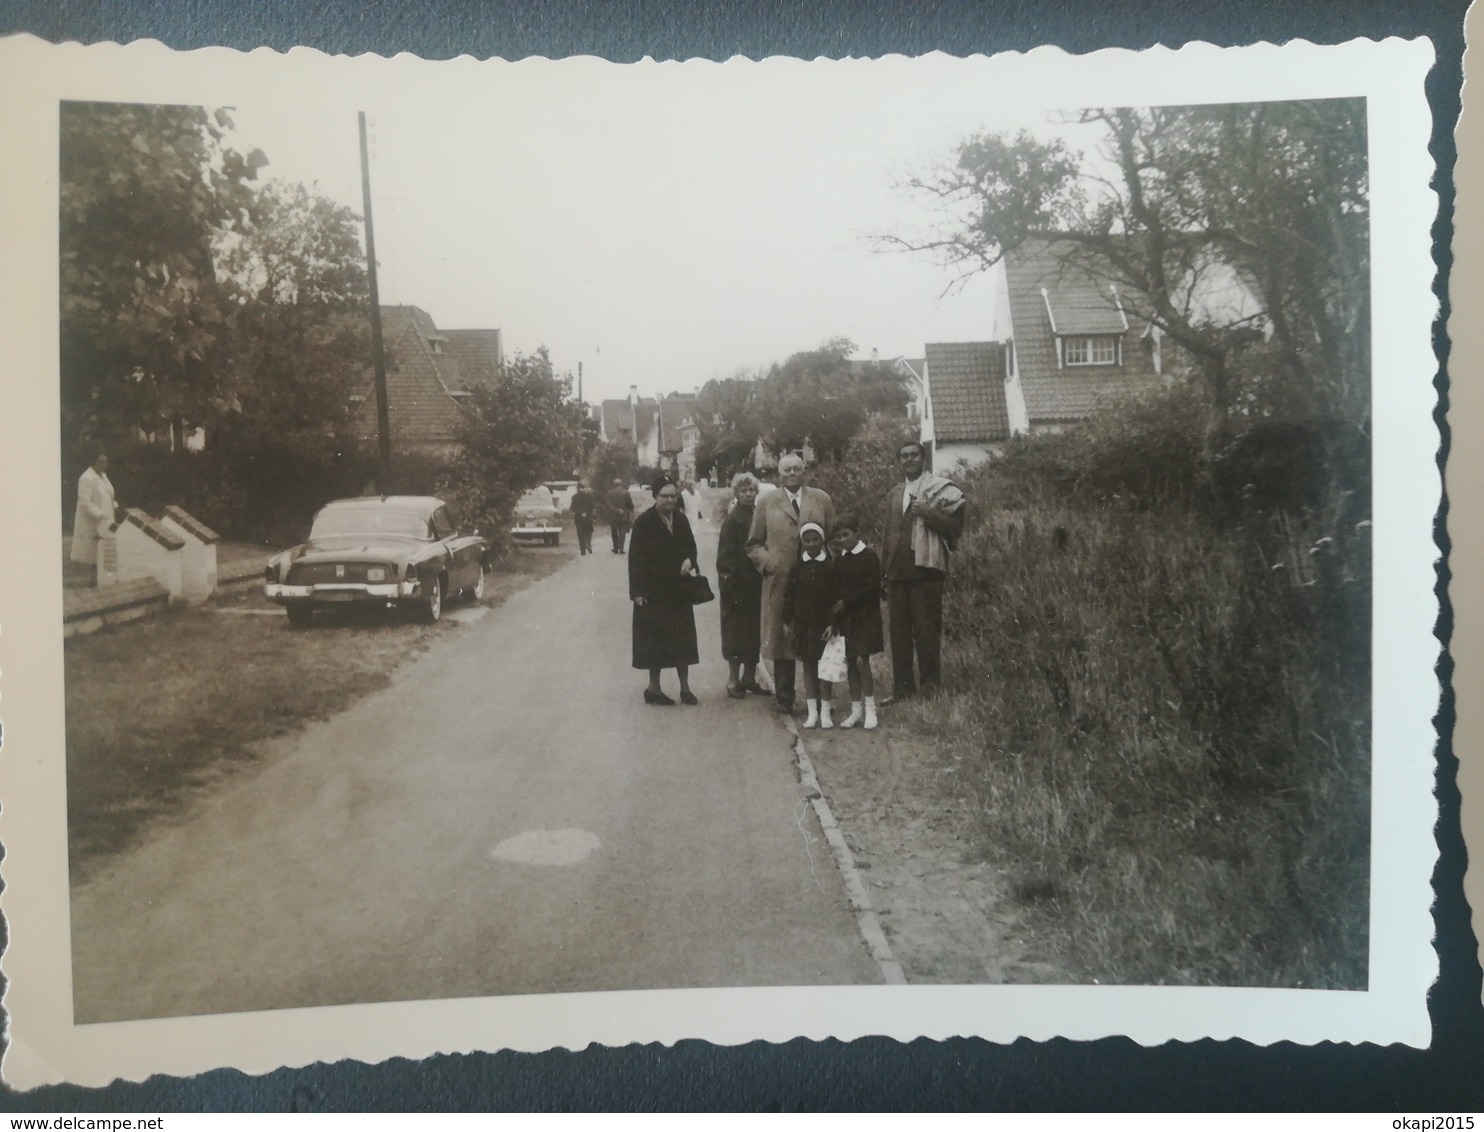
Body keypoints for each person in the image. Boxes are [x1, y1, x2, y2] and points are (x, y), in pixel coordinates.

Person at [746, 452, 835, 713]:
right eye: (787, 471)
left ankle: (819, 699)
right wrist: (768, 562)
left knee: (816, 636)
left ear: (805, 471)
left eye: (797, 469)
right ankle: (784, 696)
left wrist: (829, 568)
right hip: (780, 580)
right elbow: (753, 543)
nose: (792, 474)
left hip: (815, 581)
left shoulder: (821, 499)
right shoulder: (767, 502)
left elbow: (833, 538)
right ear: (779, 475)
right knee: (781, 637)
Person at [881, 440, 967, 700]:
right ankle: (903, 690)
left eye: (914, 455)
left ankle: (930, 689)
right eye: (904, 455)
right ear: (899, 460)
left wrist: (929, 513)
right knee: (899, 635)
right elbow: (888, 535)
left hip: (926, 571)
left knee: (927, 632)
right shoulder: (894, 493)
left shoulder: (940, 489)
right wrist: (884, 573)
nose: (909, 459)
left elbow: (955, 529)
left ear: (923, 458)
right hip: (897, 572)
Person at [628, 476, 701, 706]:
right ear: (655, 497)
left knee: (683, 639)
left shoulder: (680, 520)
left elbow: (691, 546)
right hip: (654, 591)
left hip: (679, 591)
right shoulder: (644, 523)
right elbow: (636, 560)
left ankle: (685, 688)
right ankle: (654, 689)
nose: (670, 500)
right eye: (664, 496)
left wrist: (690, 560)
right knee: (655, 641)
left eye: (673, 495)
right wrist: (637, 592)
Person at [828, 514, 884, 730]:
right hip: (847, 618)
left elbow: (872, 588)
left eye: (846, 535)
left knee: (862, 660)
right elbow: (836, 588)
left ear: (857, 532)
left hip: (865, 615)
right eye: (839, 536)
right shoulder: (840, 559)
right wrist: (837, 608)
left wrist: (847, 601)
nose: (843, 540)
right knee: (850, 661)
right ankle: (856, 710)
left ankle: (870, 709)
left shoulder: (869, 556)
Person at [782, 522, 839, 729]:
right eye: (807, 540)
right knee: (808, 667)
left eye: (816, 540)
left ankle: (825, 711)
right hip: (804, 625)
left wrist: (833, 624)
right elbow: (789, 596)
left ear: (822, 541)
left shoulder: (831, 567)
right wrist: (786, 621)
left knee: (825, 669)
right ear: (802, 542)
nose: (812, 544)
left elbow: (836, 599)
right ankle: (812, 712)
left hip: (823, 626)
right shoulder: (797, 568)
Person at [716, 472, 766, 699]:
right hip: (736, 587)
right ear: (736, 493)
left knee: (753, 633)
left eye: (751, 490)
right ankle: (733, 680)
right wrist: (729, 587)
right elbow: (724, 559)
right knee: (735, 634)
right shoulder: (732, 521)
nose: (748, 494)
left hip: (756, 584)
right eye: (743, 491)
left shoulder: (759, 516)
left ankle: (749, 678)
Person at [71, 450, 117, 586]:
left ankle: (99, 581)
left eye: (106, 462)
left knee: (102, 554)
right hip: (92, 521)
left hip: (105, 520)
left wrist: (114, 505)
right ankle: (91, 583)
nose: (104, 465)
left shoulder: (103, 476)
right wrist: (100, 514)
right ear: (94, 461)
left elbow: (108, 495)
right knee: (92, 555)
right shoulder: (86, 478)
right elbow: (84, 502)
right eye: (100, 462)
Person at [606, 478, 635, 554]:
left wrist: (616, 510)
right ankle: (621, 548)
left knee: (614, 532)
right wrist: (630, 512)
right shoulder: (625, 493)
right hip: (624, 515)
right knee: (622, 532)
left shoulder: (609, 493)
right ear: (621, 484)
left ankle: (615, 548)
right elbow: (630, 504)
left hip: (613, 515)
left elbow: (608, 505)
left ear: (613, 484)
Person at [570, 480, 597, 555]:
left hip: (579, 518)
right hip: (588, 517)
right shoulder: (589, 496)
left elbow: (573, 508)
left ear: (578, 488)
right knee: (589, 532)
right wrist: (587, 513)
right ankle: (587, 543)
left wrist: (580, 513)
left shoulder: (574, 497)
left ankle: (582, 550)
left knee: (580, 534)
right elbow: (592, 506)